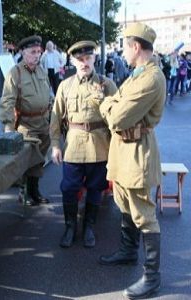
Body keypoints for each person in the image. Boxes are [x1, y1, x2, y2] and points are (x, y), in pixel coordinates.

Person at [98, 23, 166, 299]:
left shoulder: (151, 78)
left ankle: (152, 277)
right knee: (124, 202)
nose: (124, 51)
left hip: (138, 151)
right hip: (123, 150)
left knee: (144, 213)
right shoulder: (138, 74)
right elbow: (118, 102)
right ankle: (128, 251)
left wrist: (105, 104)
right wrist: (112, 103)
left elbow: (116, 117)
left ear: (135, 47)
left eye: (126, 46)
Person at [50, 40, 117, 248]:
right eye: (80, 59)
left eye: (88, 58)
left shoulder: (108, 84)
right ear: (72, 61)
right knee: (69, 188)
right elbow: (55, 117)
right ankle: (70, 226)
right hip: (74, 146)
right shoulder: (65, 86)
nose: (84, 63)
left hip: (100, 146)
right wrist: (55, 145)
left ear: (94, 58)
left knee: (96, 188)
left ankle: (89, 226)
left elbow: (117, 118)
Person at [0, 35, 52, 206]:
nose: (36, 55)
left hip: (44, 123)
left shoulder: (42, 71)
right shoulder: (15, 73)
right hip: (26, 125)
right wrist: (8, 127)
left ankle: (34, 191)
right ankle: (25, 193)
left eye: (38, 52)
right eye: (32, 52)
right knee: (27, 160)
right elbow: (7, 101)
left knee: (40, 159)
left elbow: (49, 96)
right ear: (22, 52)